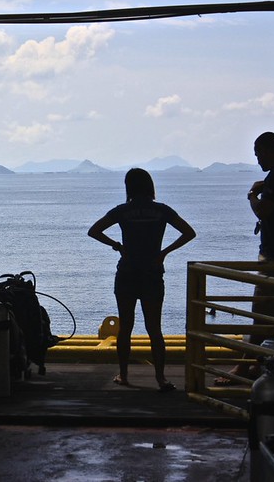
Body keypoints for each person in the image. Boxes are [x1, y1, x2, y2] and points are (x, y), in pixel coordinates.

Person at [88, 168, 196, 392]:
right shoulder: (161, 210)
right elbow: (188, 232)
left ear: (128, 187)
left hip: (127, 272)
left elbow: (94, 230)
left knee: (125, 327)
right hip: (152, 272)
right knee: (154, 329)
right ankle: (161, 379)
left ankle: (124, 375)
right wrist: (164, 253)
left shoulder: (123, 211)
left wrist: (117, 246)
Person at [218, 131, 274, 384]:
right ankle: (262, 364)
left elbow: (263, 210)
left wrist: (252, 194)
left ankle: (243, 367)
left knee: (260, 316)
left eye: (258, 153)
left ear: (269, 150)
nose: (257, 159)